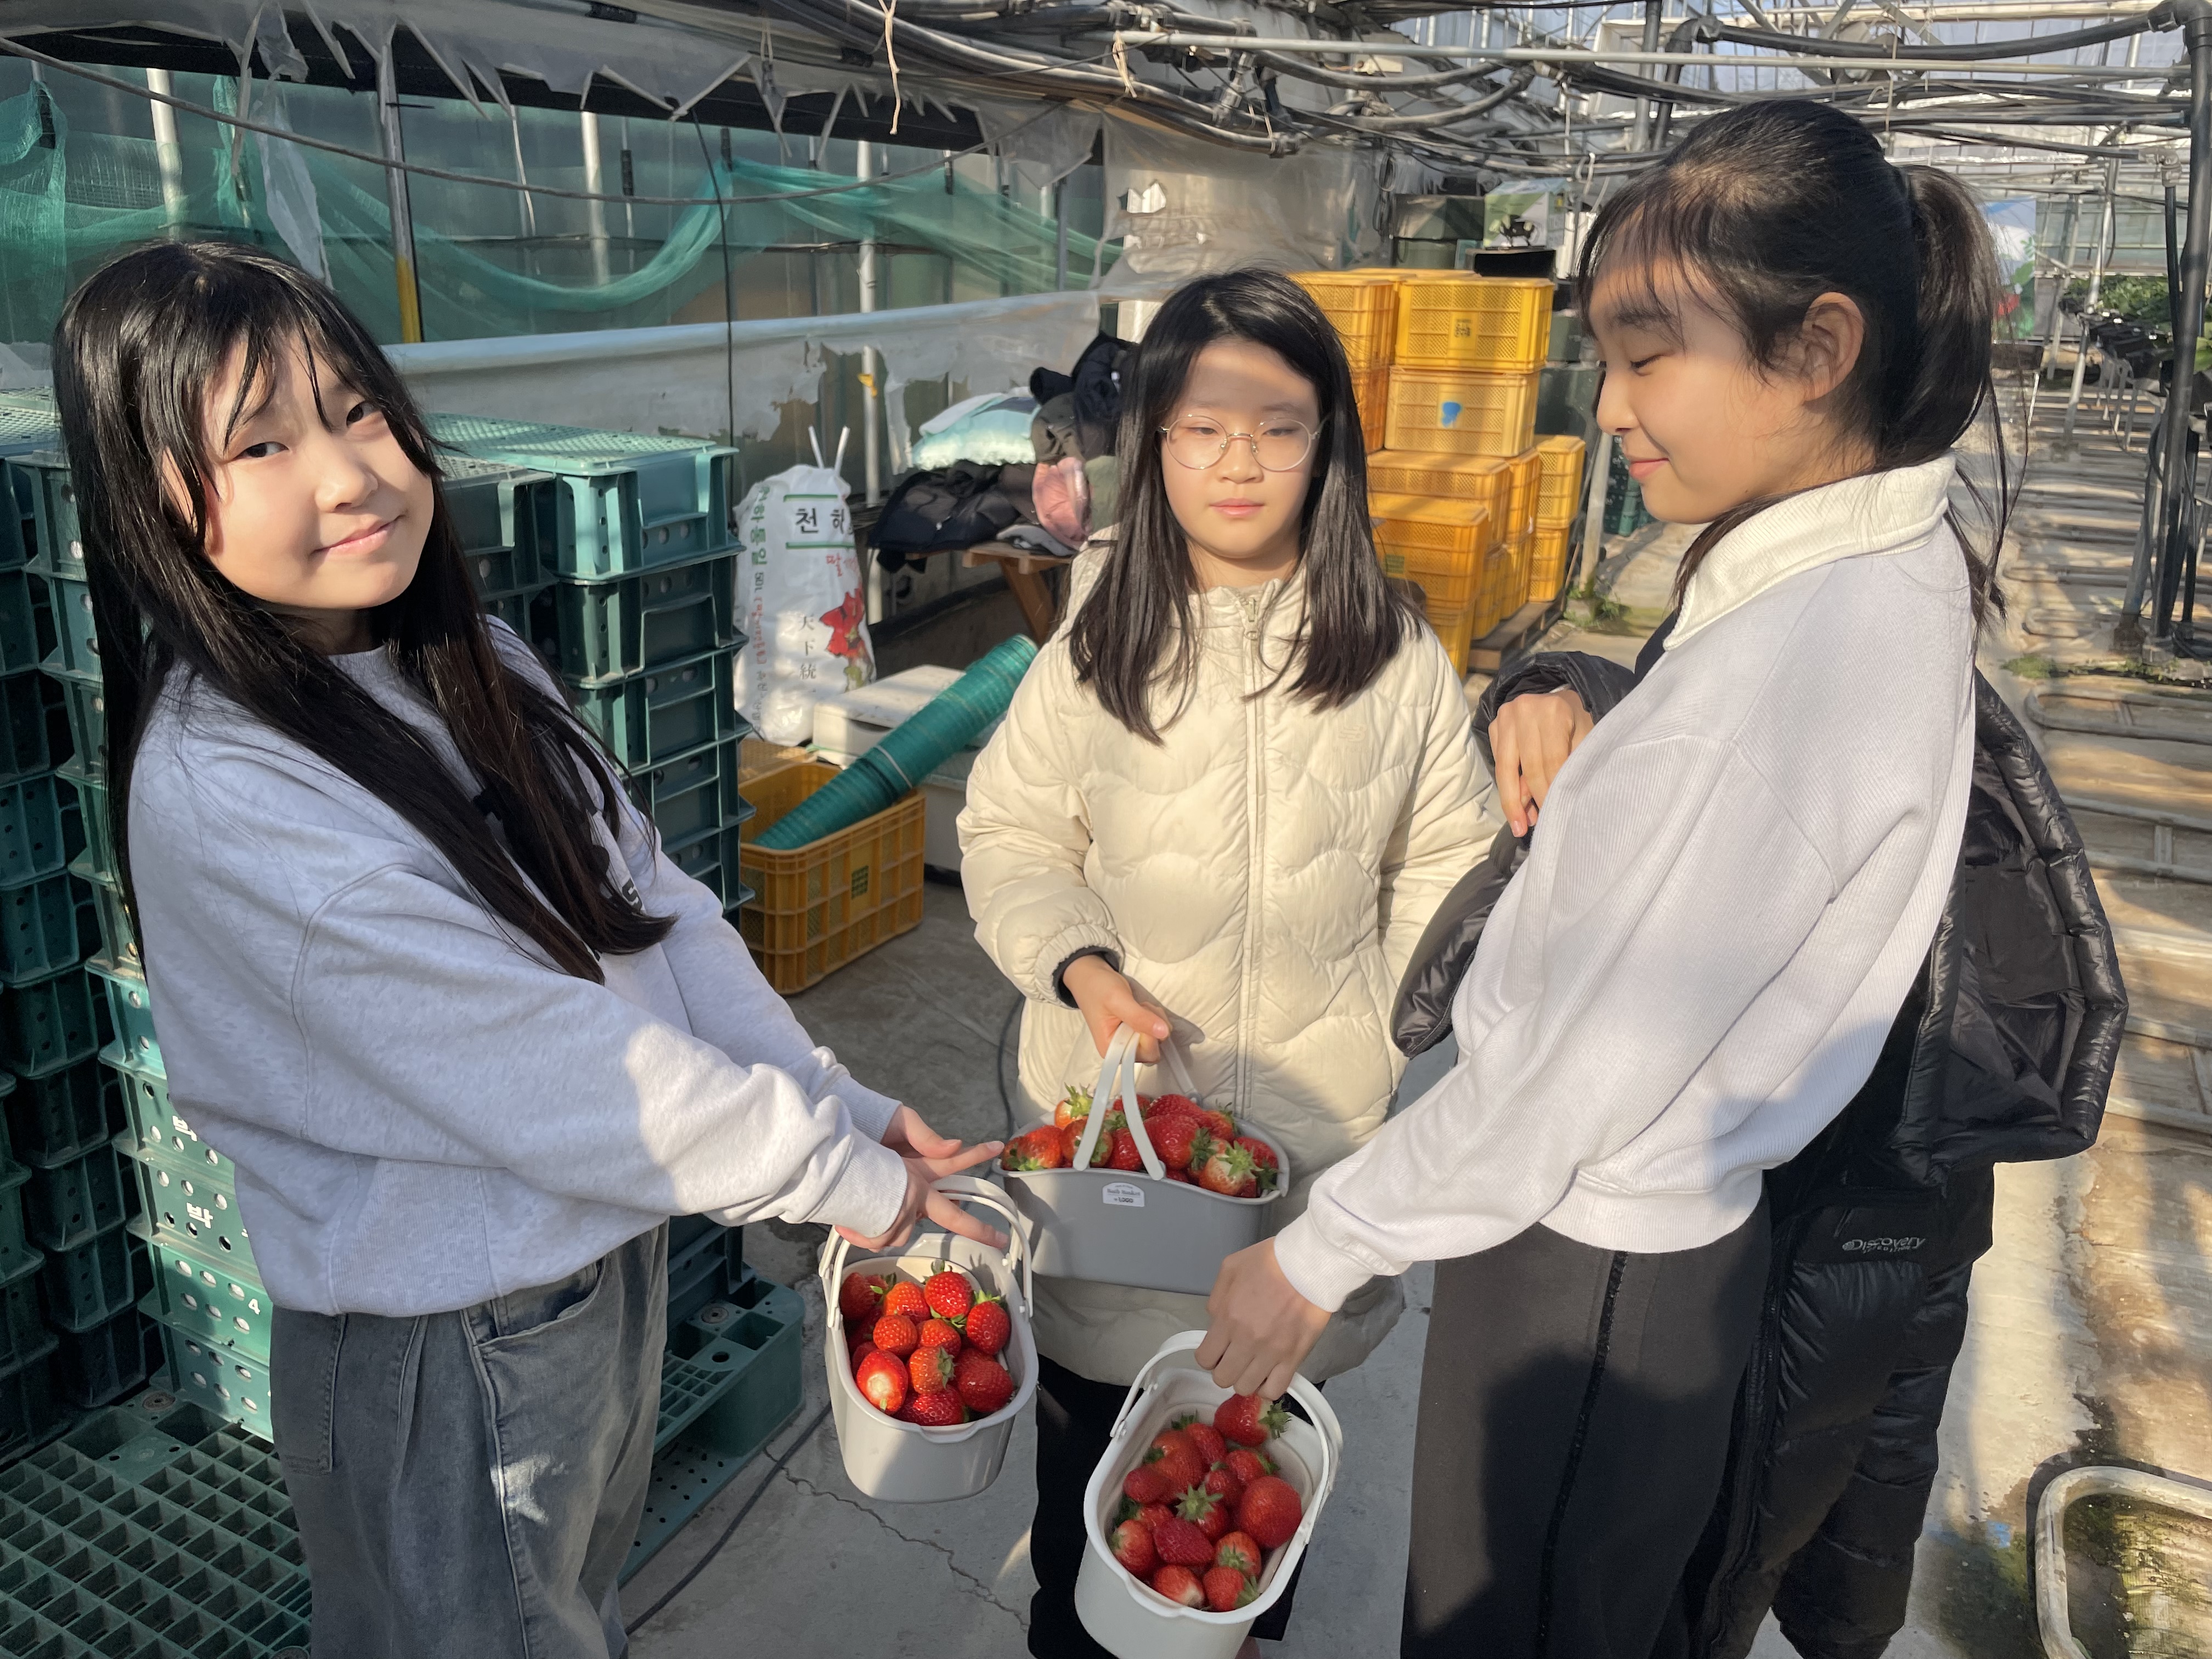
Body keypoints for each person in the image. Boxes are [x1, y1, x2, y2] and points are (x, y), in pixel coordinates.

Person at [52, 240, 1003, 1659]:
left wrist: (839, 1107)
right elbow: (561, 1069)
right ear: (150, 506)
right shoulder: (231, 788)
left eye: (357, 410)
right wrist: (840, 1179)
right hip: (448, 1335)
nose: (352, 474)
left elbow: (650, 904)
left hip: (596, 1263)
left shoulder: (470, 658)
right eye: (261, 444)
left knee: (564, 1616)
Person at [1200, 100, 2012, 1658]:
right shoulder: (1887, 567)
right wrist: (1576, 693)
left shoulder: (1779, 683)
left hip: (1590, 1265)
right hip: (1649, 1251)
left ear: (1817, 348)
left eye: (1651, 356)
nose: (1614, 407)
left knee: (1499, 1623)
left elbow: (1568, 1081)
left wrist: (1315, 1255)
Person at [958, 268, 1493, 1656]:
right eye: (1201, 428)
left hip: (1303, 1177)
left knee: (1240, 1551)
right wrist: (1080, 966)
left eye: (1279, 427)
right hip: (1120, 1165)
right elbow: (1011, 833)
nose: (1238, 462)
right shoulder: (1099, 643)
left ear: (1330, 444)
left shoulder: (1393, 655)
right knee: (1091, 1546)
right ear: (1155, 443)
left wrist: (1381, 1025)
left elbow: (1452, 858)